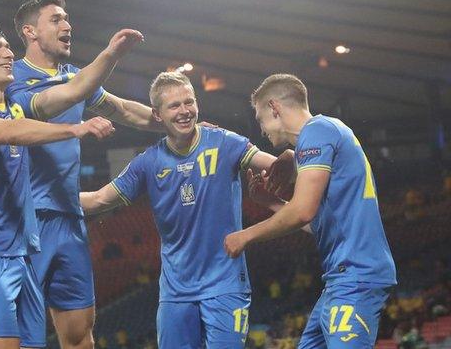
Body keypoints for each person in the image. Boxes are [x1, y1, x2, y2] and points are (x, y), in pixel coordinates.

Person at [0, 0, 165, 347]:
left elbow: (123, 109)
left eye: (67, 18)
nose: (66, 25)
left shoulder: (74, 75)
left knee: (78, 332)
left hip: (67, 217)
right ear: (30, 31)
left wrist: (177, 126)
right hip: (26, 224)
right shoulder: (11, 82)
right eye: (56, 19)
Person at [79, 72, 288, 347]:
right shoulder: (148, 162)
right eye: (174, 106)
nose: (184, 111)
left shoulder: (224, 142)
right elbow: (97, 200)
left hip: (225, 286)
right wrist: (35, 199)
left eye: (189, 102)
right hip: (176, 293)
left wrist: (294, 159)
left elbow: (275, 168)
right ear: (157, 114)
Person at [224, 73, 397, 348]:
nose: (261, 129)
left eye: (259, 119)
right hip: (340, 279)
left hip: (356, 275)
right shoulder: (326, 132)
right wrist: (270, 202)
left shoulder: (317, 132)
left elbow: (302, 212)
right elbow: (315, 223)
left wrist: (245, 235)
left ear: (274, 107)